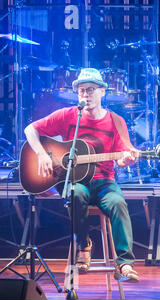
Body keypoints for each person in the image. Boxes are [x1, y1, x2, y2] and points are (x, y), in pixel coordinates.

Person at [24, 68, 140, 282]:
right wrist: (42, 154)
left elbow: (124, 156)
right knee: (76, 194)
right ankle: (84, 245)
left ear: (103, 91)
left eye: (90, 90)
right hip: (77, 181)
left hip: (105, 182)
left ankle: (124, 264)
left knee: (118, 204)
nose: (85, 94)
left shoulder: (116, 121)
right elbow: (30, 129)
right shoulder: (69, 115)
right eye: (81, 90)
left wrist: (128, 159)